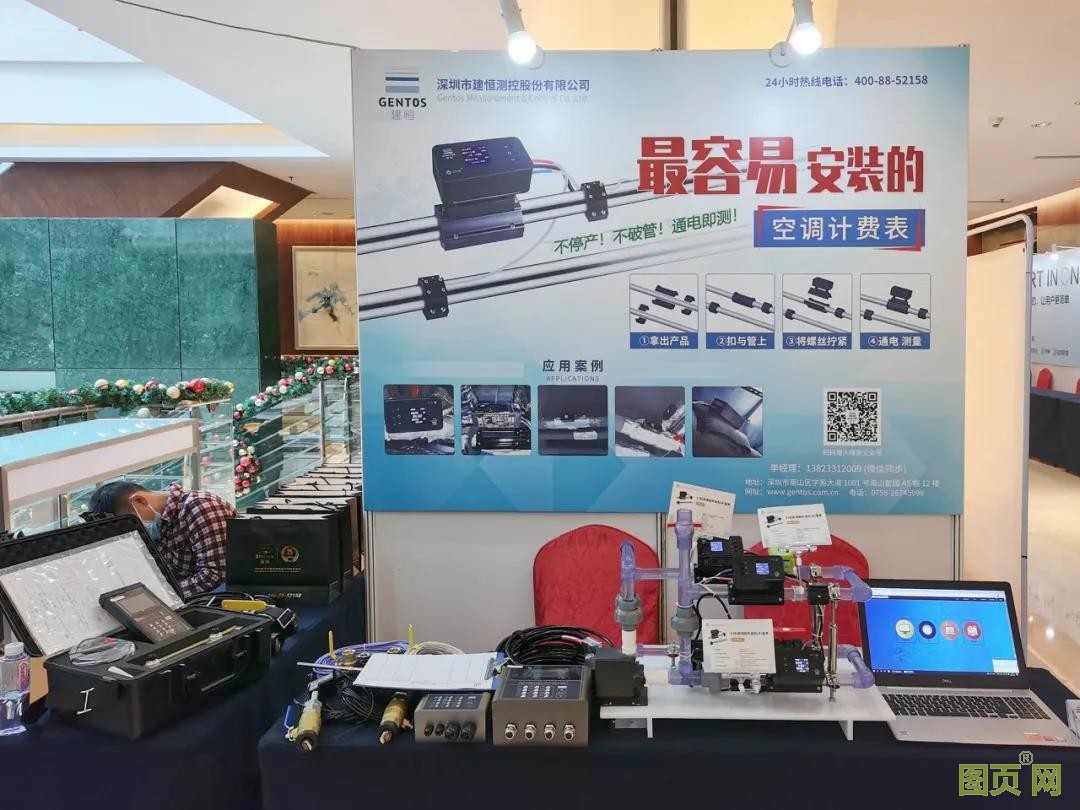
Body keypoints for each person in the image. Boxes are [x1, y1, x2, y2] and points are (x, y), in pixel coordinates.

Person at [89, 481, 234, 598]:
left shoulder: (200, 506)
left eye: (130, 524)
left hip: (222, 599)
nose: (134, 532)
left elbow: (215, 574)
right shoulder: (159, 525)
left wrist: (161, 596)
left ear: (139, 500)